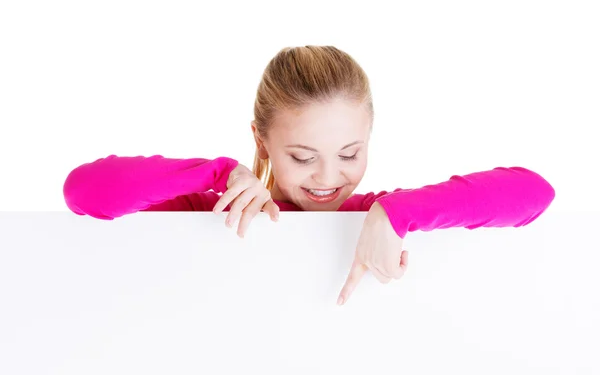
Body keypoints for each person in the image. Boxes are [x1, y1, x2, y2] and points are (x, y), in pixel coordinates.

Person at [62, 45, 556, 305]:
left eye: (350, 153)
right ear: (262, 142)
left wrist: (395, 212)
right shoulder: (210, 208)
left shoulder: (369, 216)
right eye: (302, 156)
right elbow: (83, 191)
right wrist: (217, 173)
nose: (329, 176)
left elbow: (534, 193)